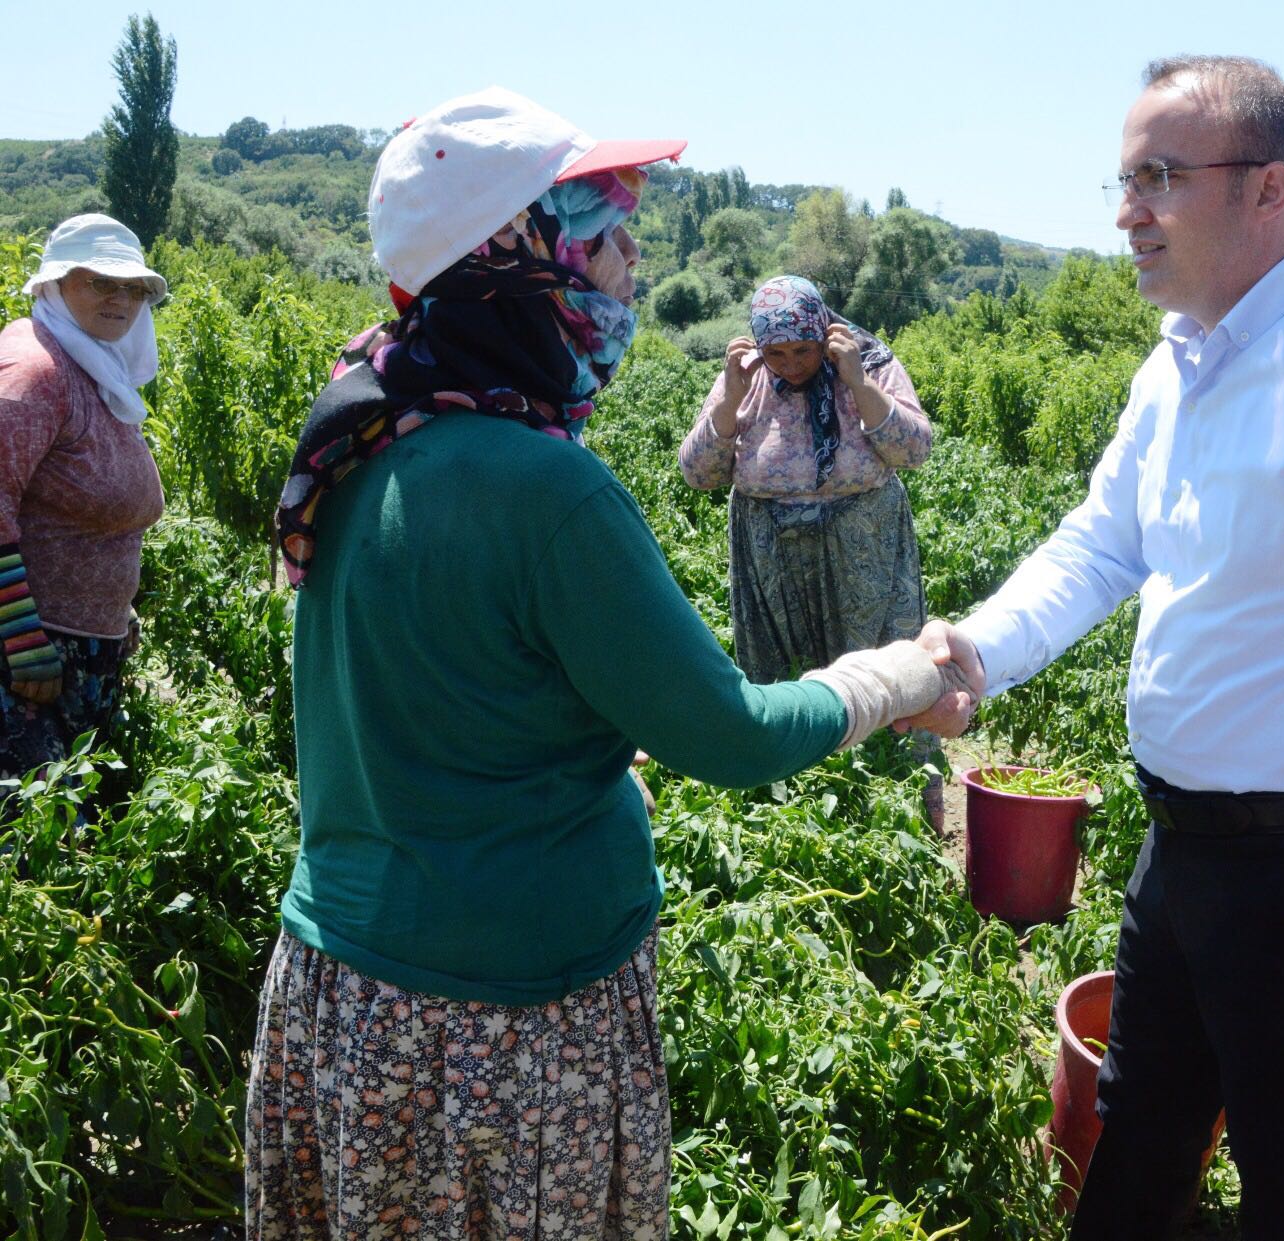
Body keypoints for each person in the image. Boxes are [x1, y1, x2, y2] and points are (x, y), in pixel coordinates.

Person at [247, 87, 956, 1240]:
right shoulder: (546, 486)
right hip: (502, 1036)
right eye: (611, 235)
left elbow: (425, 701)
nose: (635, 262)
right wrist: (901, 675)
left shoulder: (365, 437)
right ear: (526, 259)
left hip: (346, 998)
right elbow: (732, 733)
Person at [898, 56, 1284, 1239]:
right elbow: (1098, 548)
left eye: (1159, 177)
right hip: (1180, 852)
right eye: (1123, 179)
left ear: (1267, 190)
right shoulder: (1172, 372)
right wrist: (974, 651)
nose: (1127, 209)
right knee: (1137, 1145)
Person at [678, 276, 944, 824]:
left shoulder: (867, 362)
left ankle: (897, 810)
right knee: (785, 679)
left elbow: (915, 448)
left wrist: (857, 382)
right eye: (777, 352)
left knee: (881, 672)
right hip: (771, 555)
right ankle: (794, 809)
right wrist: (728, 398)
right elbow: (699, 473)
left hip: (862, 547)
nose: (792, 364)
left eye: (804, 349)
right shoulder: (745, 380)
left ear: (825, 333)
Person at [0, 214, 166, 792]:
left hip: (81, 650)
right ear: (56, 283)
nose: (121, 298)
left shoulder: (92, 363)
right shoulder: (35, 371)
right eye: (101, 281)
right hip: (27, 660)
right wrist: (21, 642)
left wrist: (118, 610)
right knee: (43, 845)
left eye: (134, 287)